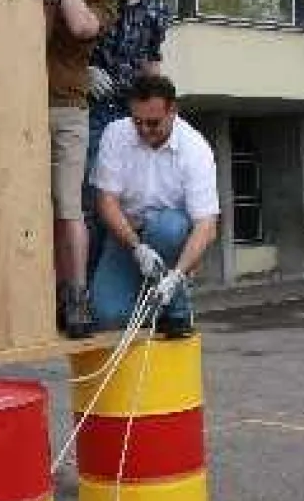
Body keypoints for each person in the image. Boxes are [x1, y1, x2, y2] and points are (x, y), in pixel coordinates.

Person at [21, 0, 121, 337]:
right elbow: (33, 42)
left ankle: (76, 298)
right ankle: (30, 298)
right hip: (21, 107)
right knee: (25, 207)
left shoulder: (105, 3)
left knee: (68, 208)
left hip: (68, 110)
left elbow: (81, 27)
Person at [90, 75, 219, 337]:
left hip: (170, 236)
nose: (144, 130)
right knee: (107, 315)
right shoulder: (116, 134)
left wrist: (178, 274)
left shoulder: (195, 149)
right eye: (137, 122)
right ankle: (155, 307)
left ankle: (176, 308)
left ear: (173, 111)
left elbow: (207, 225)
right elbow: (106, 201)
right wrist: (136, 248)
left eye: (153, 123)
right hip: (127, 234)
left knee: (168, 227)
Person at [85, 0, 170, 277]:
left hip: (130, 115)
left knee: (128, 198)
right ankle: (85, 284)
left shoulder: (157, 9)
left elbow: (152, 60)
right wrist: (83, 69)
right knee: (92, 197)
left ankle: (125, 276)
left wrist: (161, 106)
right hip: (92, 109)